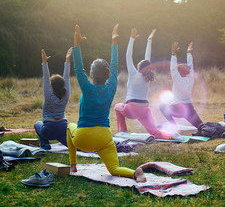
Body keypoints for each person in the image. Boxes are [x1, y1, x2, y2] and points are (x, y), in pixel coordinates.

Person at [67, 24, 146, 182]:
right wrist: (114, 44)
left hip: (83, 139)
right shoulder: (111, 88)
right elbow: (115, 67)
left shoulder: (87, 88)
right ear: (108, 74)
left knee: (69, 125)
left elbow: (78, 68)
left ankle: (73, 165)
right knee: (114, 169)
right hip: (104, 137)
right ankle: (134, 173)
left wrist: (76, 44)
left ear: (91, 74)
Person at [114, 28, 173, 139]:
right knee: (154, 132)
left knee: (117, 107)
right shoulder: (148, 77)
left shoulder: (134, 74)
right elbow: (147, 59)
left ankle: (122, 132)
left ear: (139, 67)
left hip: (131, 109)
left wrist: (131, 39)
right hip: (145, 110)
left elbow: (128, 56)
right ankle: (172, 136)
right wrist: (149, 41)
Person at [34, 48, 72, 150]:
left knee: (37, 124)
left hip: (49, 130)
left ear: (51, 86)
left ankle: (45, 145)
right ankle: (85, 148)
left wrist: (44, 62)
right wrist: (67, 61)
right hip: (63, 128)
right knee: (74, 146)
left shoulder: (48, 95)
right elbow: (67, 77)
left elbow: (45, 78)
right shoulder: (66, 94)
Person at [160, 42, 203, 130]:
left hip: (178, 109)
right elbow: (191, 65)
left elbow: (173, 69)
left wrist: (174, 54)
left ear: (180, 72)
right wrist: (189, 53)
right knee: (201, 126)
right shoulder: (190, 78)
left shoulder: (177, 80)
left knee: (162, 107)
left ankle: (173, 125)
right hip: (189, 108)